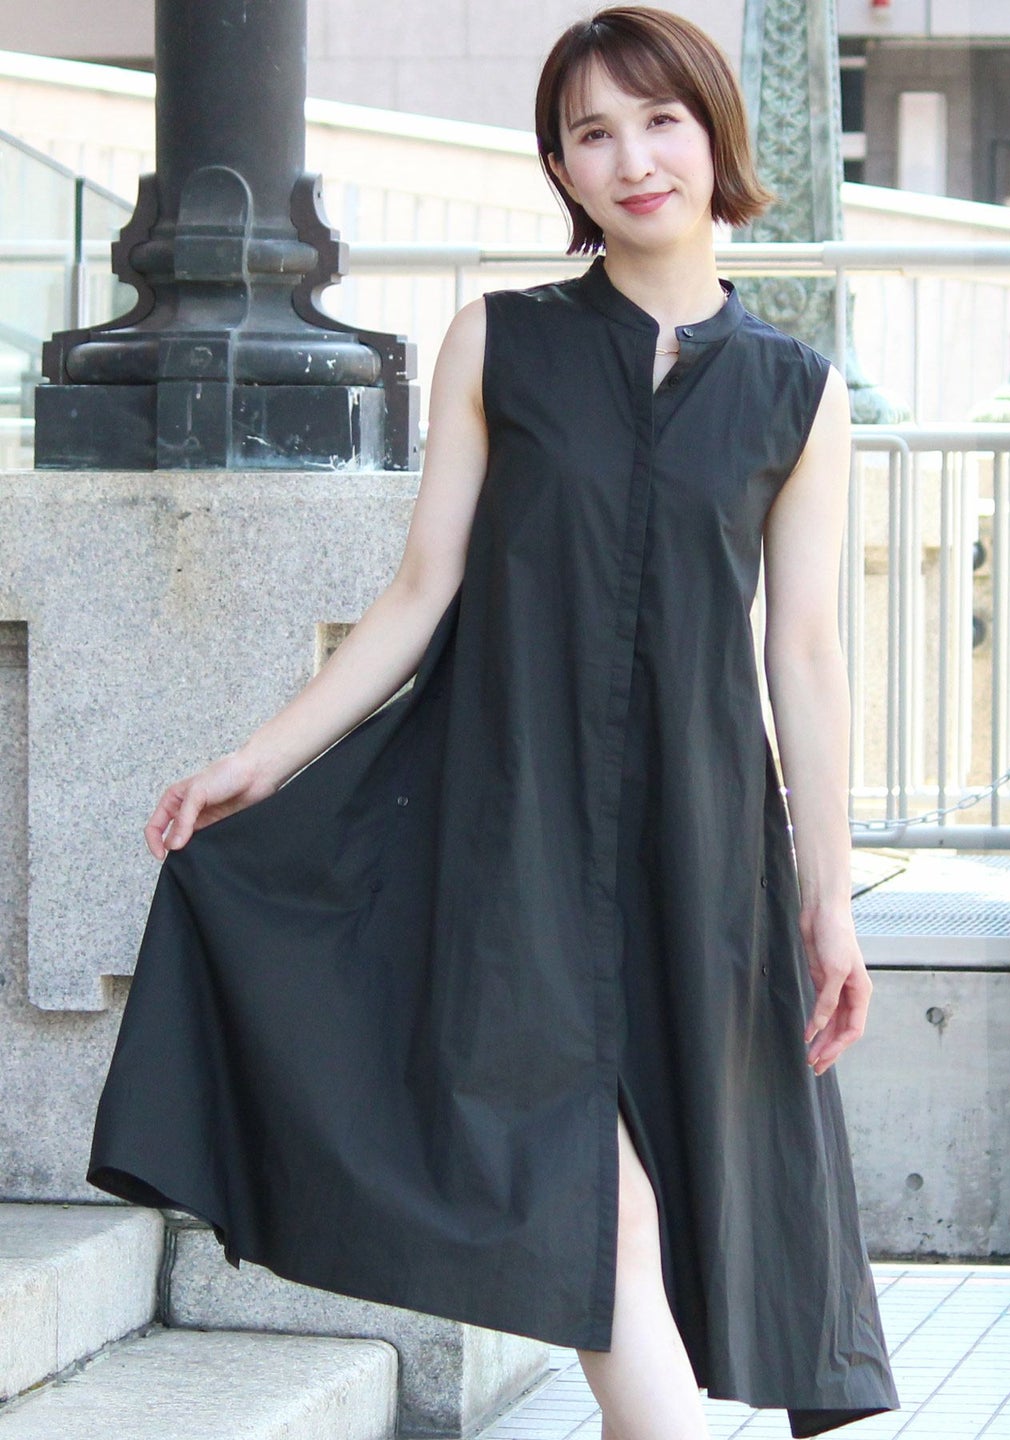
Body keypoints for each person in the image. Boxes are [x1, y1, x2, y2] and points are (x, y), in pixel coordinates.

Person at [90, 7, 898, 1438]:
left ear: (715, 134)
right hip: (504, 826)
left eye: (659, 121)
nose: (633, 159)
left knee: (642, 1227)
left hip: (697, 853)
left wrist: (829, 903)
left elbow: (806, 656)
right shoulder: (501, 342)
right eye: (593, 132)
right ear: (561, 169)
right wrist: (257, 760)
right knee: (599, 1219)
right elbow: (419, 595)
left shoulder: (798, 392)